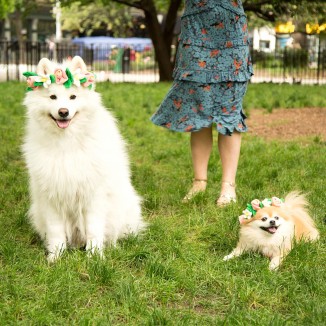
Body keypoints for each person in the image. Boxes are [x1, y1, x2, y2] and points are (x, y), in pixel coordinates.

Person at [151, 0, 253, 206]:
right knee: (199, 109)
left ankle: (228, 186)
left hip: (232, 33)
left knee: (230, 113)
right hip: (196, 30)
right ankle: (199, 182)